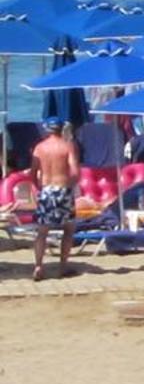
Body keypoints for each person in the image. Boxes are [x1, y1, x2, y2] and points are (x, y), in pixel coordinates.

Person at [30, 118, 81, 282]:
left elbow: (32, 173)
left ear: (47, 129)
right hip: (63, 189)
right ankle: (62, 267)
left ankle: (38, 266)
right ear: (61, 129)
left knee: (42, 231)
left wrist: (38, 187)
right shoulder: (67, 146)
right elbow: (75, 172)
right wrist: (70, 186)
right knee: (68, 229)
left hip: (46, 190)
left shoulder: (40, 148)